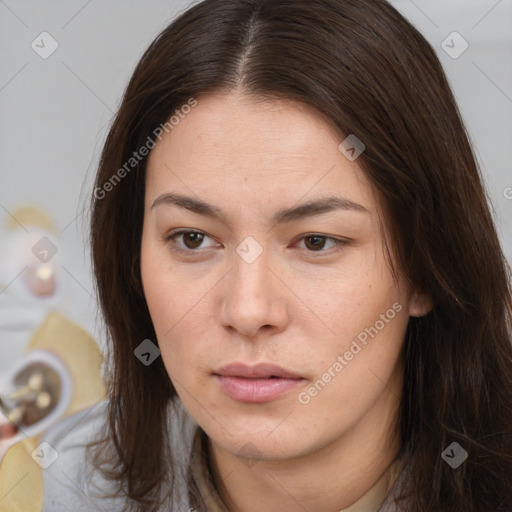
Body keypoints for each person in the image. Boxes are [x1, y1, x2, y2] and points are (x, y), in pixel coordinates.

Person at [40, 0, 512, 510]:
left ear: (426, 266)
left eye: (316, 242)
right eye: (193, 239)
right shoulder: (52, 487)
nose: (247, 310)